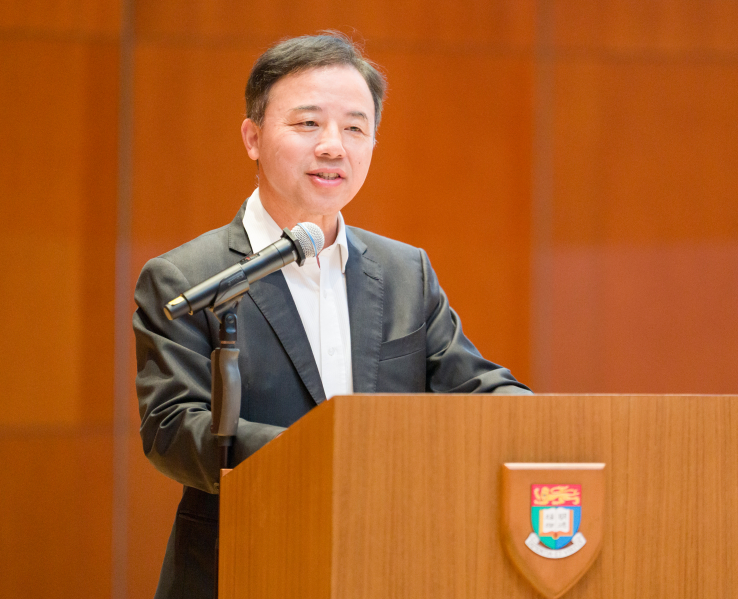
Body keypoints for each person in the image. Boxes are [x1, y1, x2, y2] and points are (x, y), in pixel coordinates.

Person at [133, 32, 530, 599]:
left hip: (384, 568)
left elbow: (475, 389)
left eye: (354, 128)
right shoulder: (187, 278)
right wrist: (327, 458)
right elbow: (173, 429)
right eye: (308, 123)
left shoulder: (405, 272)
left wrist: (553, 429)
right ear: (252, 137)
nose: (332, 146)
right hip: (244, 562)